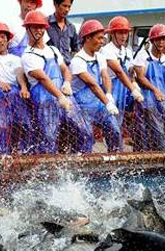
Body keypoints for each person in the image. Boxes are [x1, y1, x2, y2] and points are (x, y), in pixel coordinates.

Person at [21, 10, 89, 154]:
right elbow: (43, 78)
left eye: (41, 27)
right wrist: (60, 97)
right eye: (35, 27)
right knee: (49, 138)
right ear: (28, 29)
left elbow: (65, 69)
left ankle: (79, 163)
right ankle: (49, 173)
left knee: (82, 130)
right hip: (45, 102)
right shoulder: (28, 56)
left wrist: (67, 83)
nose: (39, 30)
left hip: (63, 96)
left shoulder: (53, 50)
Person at [70, 20, 122, 153]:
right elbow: (92, 84)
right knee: (86, 135)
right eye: (99, 38)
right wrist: (107, 102)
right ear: (88, 37)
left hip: (98, 101)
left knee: (114, 130)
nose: (102, 41)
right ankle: (82, 166)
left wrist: (109, 94)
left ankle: (116, 163)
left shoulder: (100, 57)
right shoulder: (77, 61)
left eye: (103, 38)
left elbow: (105, 77)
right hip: (81, 105)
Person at [0, 22, 31, 154]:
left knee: (22, 125)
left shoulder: (15, 59)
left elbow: (20, 75)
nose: (0, 40)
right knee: (0, 126)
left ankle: (20, 153)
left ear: (8, 40)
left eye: (3, 37)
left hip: (14, 94)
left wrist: (24, 87)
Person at [132, 23, 165, 152]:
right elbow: (140, 77)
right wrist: (155, 90)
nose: (161, 42)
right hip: (148, 100)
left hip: (163, 100)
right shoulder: (143, 55)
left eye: (164, 39)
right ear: (152, 40)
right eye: (158, 39)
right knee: (158, 132)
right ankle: (160, 160)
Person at [101, 16, 143, 128]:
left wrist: (134, 81)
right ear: (113, 34)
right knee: (111, 121)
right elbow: (119, 72)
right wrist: (133, 90)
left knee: (120, 120)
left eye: (126, 33)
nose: (124, 36)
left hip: (124, 90)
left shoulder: (127, 51)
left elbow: (129, 71)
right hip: (112, 88)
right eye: (120, 33)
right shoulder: (106, 50)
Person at [46, 0, 78, 65]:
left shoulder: (71, 27)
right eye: (64, 6)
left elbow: (76, 48)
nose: (67, 10)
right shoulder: (45, 24)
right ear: (55, 4)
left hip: (67, 67)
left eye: (69, 7)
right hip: (51, 66)